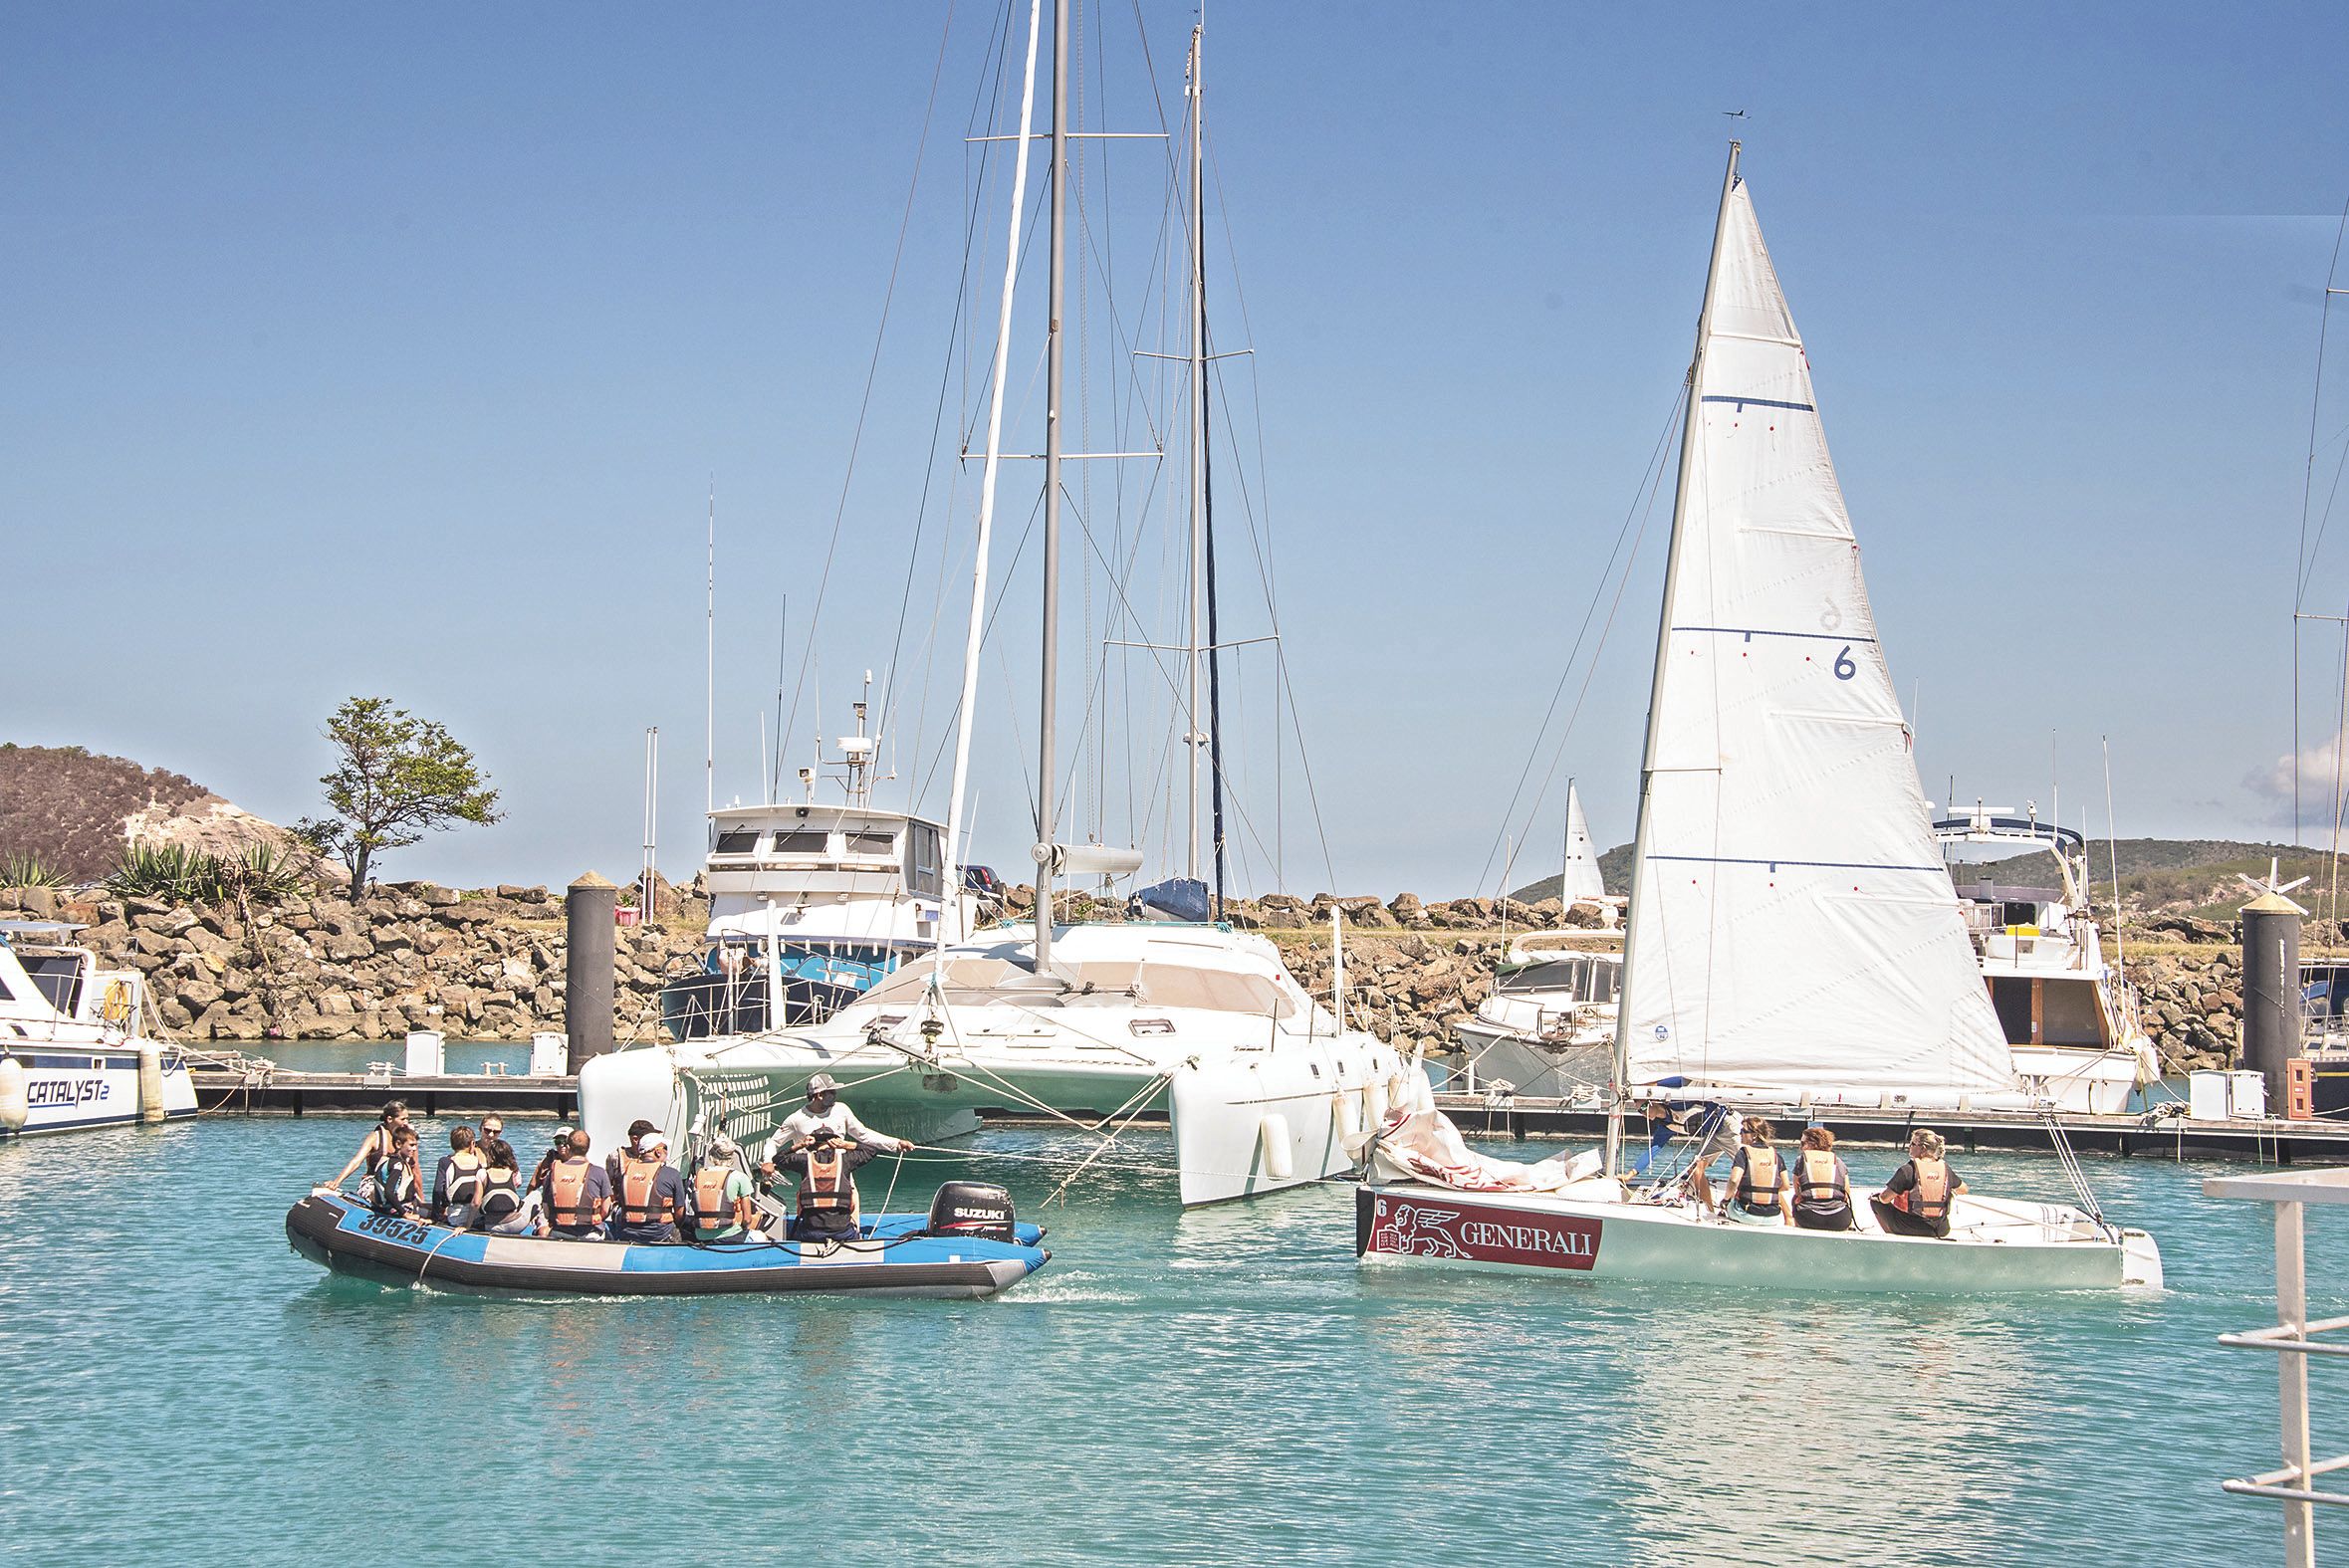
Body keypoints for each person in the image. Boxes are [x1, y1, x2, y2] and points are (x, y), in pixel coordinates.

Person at [759, 1074, 910, 1184]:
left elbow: (864, 1135)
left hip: (843, 1177)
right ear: (819, 1095)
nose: (835, 1094)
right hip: (812, 1179)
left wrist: (896, 1143)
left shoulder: (842, 1110)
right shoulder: (796, 1119)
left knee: (851, 1217)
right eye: (831, 1092)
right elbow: (774, 1142)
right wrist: (767, 1161)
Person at [777, 1125, 881, 1244]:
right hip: (842, 1232)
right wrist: (845, 1144)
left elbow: (779, 1158)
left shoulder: (804, 1161)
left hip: (811, 1232)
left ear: (814, 1145)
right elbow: (872, 1151)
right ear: (834, 1143)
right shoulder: (846, 1160)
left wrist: (801, 1144)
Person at [1871, 1129, 1967, 1238]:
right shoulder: (1945, 1169)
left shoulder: (1907, 1170)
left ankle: (1893, 1236)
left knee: (1875, 1200)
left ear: (1923, 1148)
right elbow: (1963, 1189)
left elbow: (1885, 1198)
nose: (1909, 1146)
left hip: (1910, 1227)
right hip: (1940, 1229)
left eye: (1912, 1144)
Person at [608, 1129, 690, 1243]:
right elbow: (679, 1211)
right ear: (657, 1152)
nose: (667, 1152)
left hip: (628, 1233)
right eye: (665, 1148)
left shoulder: (625, 1174)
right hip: (661, 1234)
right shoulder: (672, 1174)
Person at [1717, 1116, 1792, 1226]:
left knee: (1728, 1204)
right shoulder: (1777, 1156)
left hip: (1747, 1214)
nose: (1740, 1134)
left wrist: (1726, 1199)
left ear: (1755, 1135)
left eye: (1743, 1131)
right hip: (1773, 1216)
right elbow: (1785, 1186)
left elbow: (1734, 1180)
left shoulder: (1743, 1153)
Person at [328, 1100, 409, 1198]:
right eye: (403, 1119)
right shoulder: (375, 1137)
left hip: (397, 1184)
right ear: (389, 1119)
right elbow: (356, 1161)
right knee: (385, 1195)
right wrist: (337, 1182)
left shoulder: (407, 1139)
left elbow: (414, 1168)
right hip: (374, 1184)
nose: (406, 1123)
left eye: (407, 1119)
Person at [542, 1130, 610, 1239]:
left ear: (568, 1147)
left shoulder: (552, 1172)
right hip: (590, 1234)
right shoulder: (599, 1172)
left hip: (559, 1231)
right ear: (588, 1148)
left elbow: (546, 1211)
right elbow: (606, 1209)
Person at [689, 1138, 758, 1243]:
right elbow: (747, 1219)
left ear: (711, 1156)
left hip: (700, 1235)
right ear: (732, 1156)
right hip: (730, 1235)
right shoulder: (740, 1177)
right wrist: (743, 1228)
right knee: (761, 1237)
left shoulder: (698, 1175)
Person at [1789, 1126, 1854, 1232]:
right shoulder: (1838, 1161)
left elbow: (1797, 1191)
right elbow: (1847, 1194)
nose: (1801, 1148)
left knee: (1794, 1199)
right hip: (1840, 1218)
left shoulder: (1801, 1160)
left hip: (1810, 1217)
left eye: (1802, 1144)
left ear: (1812, 1144)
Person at [473, 1138, 533, 1234]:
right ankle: (534, 1222)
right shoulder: (514, 1172)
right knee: (536, 1195)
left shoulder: (482, 1173)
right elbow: (517, 1185)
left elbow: (476, 1203)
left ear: (490, 1156)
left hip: (489, 1226)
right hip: (515, 1225)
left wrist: (467, 1225)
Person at [432, 1126, 486, 1227]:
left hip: (457, 1218)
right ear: (472, 1144)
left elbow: (438, 1190)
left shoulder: (445, 1161)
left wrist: (435, 1217)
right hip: (479, 1216)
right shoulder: (479, 1162)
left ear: (452, 1144)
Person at [371, 1125, 427, 1219]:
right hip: (398, 1209)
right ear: (398, 1144)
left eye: (416, 1145)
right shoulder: (397, 1165)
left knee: (437, 1209)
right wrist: (405, 1214)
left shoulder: (387, 1158)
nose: (414, 1149)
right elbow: (389, 1193)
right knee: (439, 1215)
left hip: (389, 1206)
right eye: (411, 1145)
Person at [607, 1118, 662, 1190]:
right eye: (648, 1138)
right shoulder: (616, 1157)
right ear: (635, 1139)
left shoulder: (657, 1155)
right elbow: (607, 1187)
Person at [529, 1125, 576, 1197]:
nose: (562, 1145)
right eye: (558, 1141)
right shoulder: (548, 1161)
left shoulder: (580, 1162)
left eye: (565, 1141)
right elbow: (532, 1185)